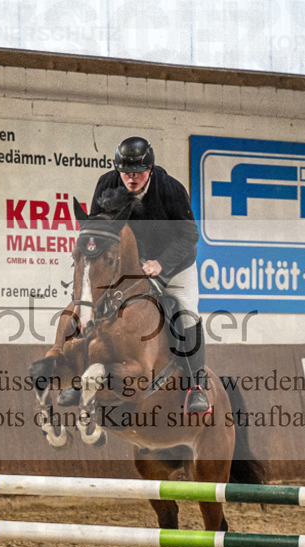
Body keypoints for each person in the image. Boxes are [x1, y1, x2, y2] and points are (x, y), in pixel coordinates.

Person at [90, 136, 209, 414]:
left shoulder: (170, 189)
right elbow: (97, 227)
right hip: (132, 265)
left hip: (175, 264)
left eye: (138, 172)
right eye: (126, 172)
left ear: (151, 169)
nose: (131, 178)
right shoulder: (106, 183)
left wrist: (161, 264)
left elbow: (190, 235)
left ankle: (196, 385)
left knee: (186, 313)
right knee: (97, 302)